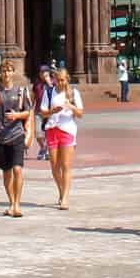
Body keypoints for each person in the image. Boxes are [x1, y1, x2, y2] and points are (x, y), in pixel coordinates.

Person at [0, 63, 35, 218]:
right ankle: (11, 202)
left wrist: (16, 116)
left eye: (9, 71)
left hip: (17, 134)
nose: (6, 73)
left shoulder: (21, 91)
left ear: (13, 72)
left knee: (17, 169)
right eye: (3, 71)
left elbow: (28, 112)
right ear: (0, 73)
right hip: (1, 137)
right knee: (6, 173)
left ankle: (17, 205)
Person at [43, 66, 85, 209]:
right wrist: (51, 111)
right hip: (51, 130)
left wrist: (71, 107)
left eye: (62, 80)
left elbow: (80, 113)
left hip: (67, 130)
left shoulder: (73, 93)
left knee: (66, 166)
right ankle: (61, 190)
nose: (60, 83)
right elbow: (42, 113)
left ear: (67, 79)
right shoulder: (49, 92)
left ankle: (65, 197)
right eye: (57, 80)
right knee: (55, 167)